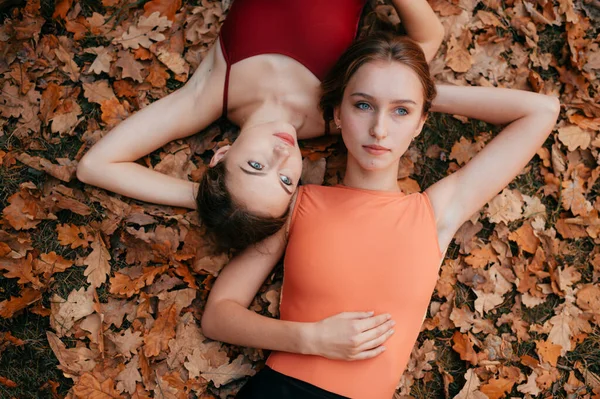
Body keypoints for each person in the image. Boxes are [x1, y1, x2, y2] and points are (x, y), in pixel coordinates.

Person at [200, 33, 561, 399]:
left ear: (421, 121)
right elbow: (218, 315)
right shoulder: (299, 204)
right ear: (338, 113)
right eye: (363, 105)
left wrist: (420, 92)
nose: (380, 129)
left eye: (401, 111)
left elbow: (541, 111)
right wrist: (309, 338)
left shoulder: (436, 213)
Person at [75, 0, 445, 252]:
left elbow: (95, 166)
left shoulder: (209, 95)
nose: (282, 156)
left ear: (220, 156)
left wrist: (204, 196)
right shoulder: (342, 113)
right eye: (286, 181)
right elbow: (428, 39)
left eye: (255, 167)